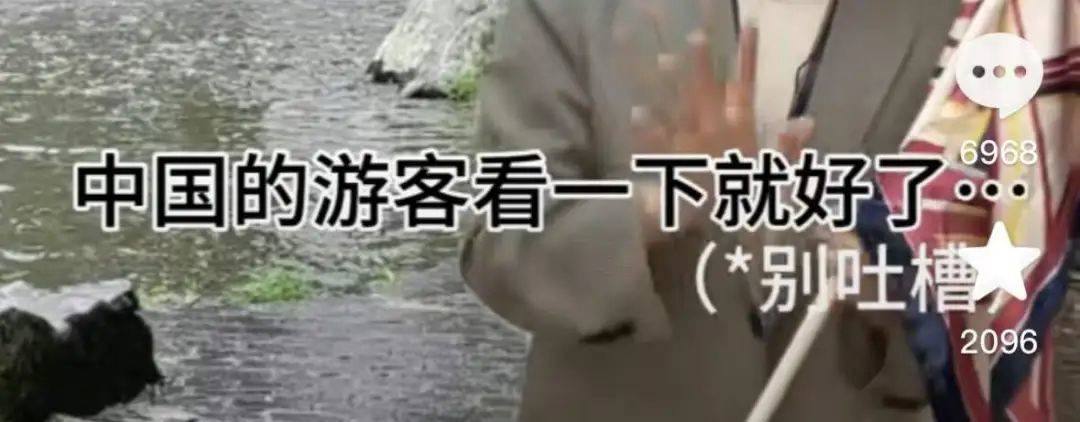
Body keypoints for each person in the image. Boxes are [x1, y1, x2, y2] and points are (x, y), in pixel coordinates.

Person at [460, 0, 961, 420]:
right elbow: (500, 248)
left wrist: (891, 292)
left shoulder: (968, 22)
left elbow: (988, 291)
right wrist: (665, 204)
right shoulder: (571, 10)